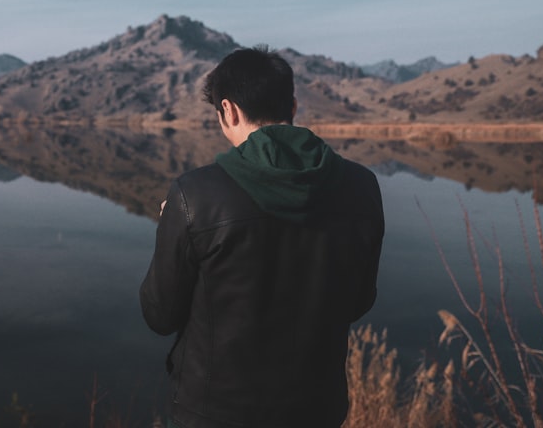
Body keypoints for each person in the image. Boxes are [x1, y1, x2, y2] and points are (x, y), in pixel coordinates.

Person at [139, 46, 385, 428]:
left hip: (214, 413)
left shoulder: (195, 195)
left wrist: (171, 229)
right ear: (294, 105)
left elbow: (159, 314)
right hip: (317, 410)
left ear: (229, 110)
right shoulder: (362, 187)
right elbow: (358, 302)